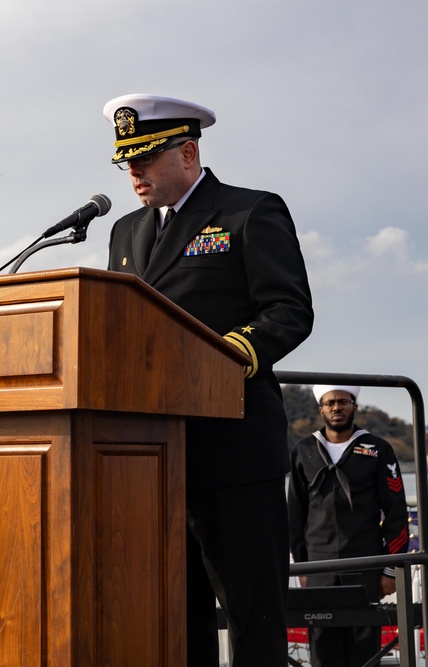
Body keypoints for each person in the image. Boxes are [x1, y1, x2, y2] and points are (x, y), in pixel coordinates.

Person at [103, 94, 314, 666]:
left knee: (254, 618)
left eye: (144, 158)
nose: (133, 173)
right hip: (153, 459)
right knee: (175, 616)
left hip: (234, 451)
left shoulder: (249, 212)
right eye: (126, 161)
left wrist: (231, 351)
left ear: (189, 152)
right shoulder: (124, 233)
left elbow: (289, 310)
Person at [287, 385, 409, 667]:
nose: (336, 407)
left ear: (355, 406)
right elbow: (295, 515)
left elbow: (396, 514)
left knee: (364, 654)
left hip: (366, 566)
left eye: (343, 401)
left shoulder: (379, 449)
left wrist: (390, 569)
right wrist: (302, 565)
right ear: (321, 409)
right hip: (318, 567)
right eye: (329, 403)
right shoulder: (303, 450)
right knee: (323, 651)